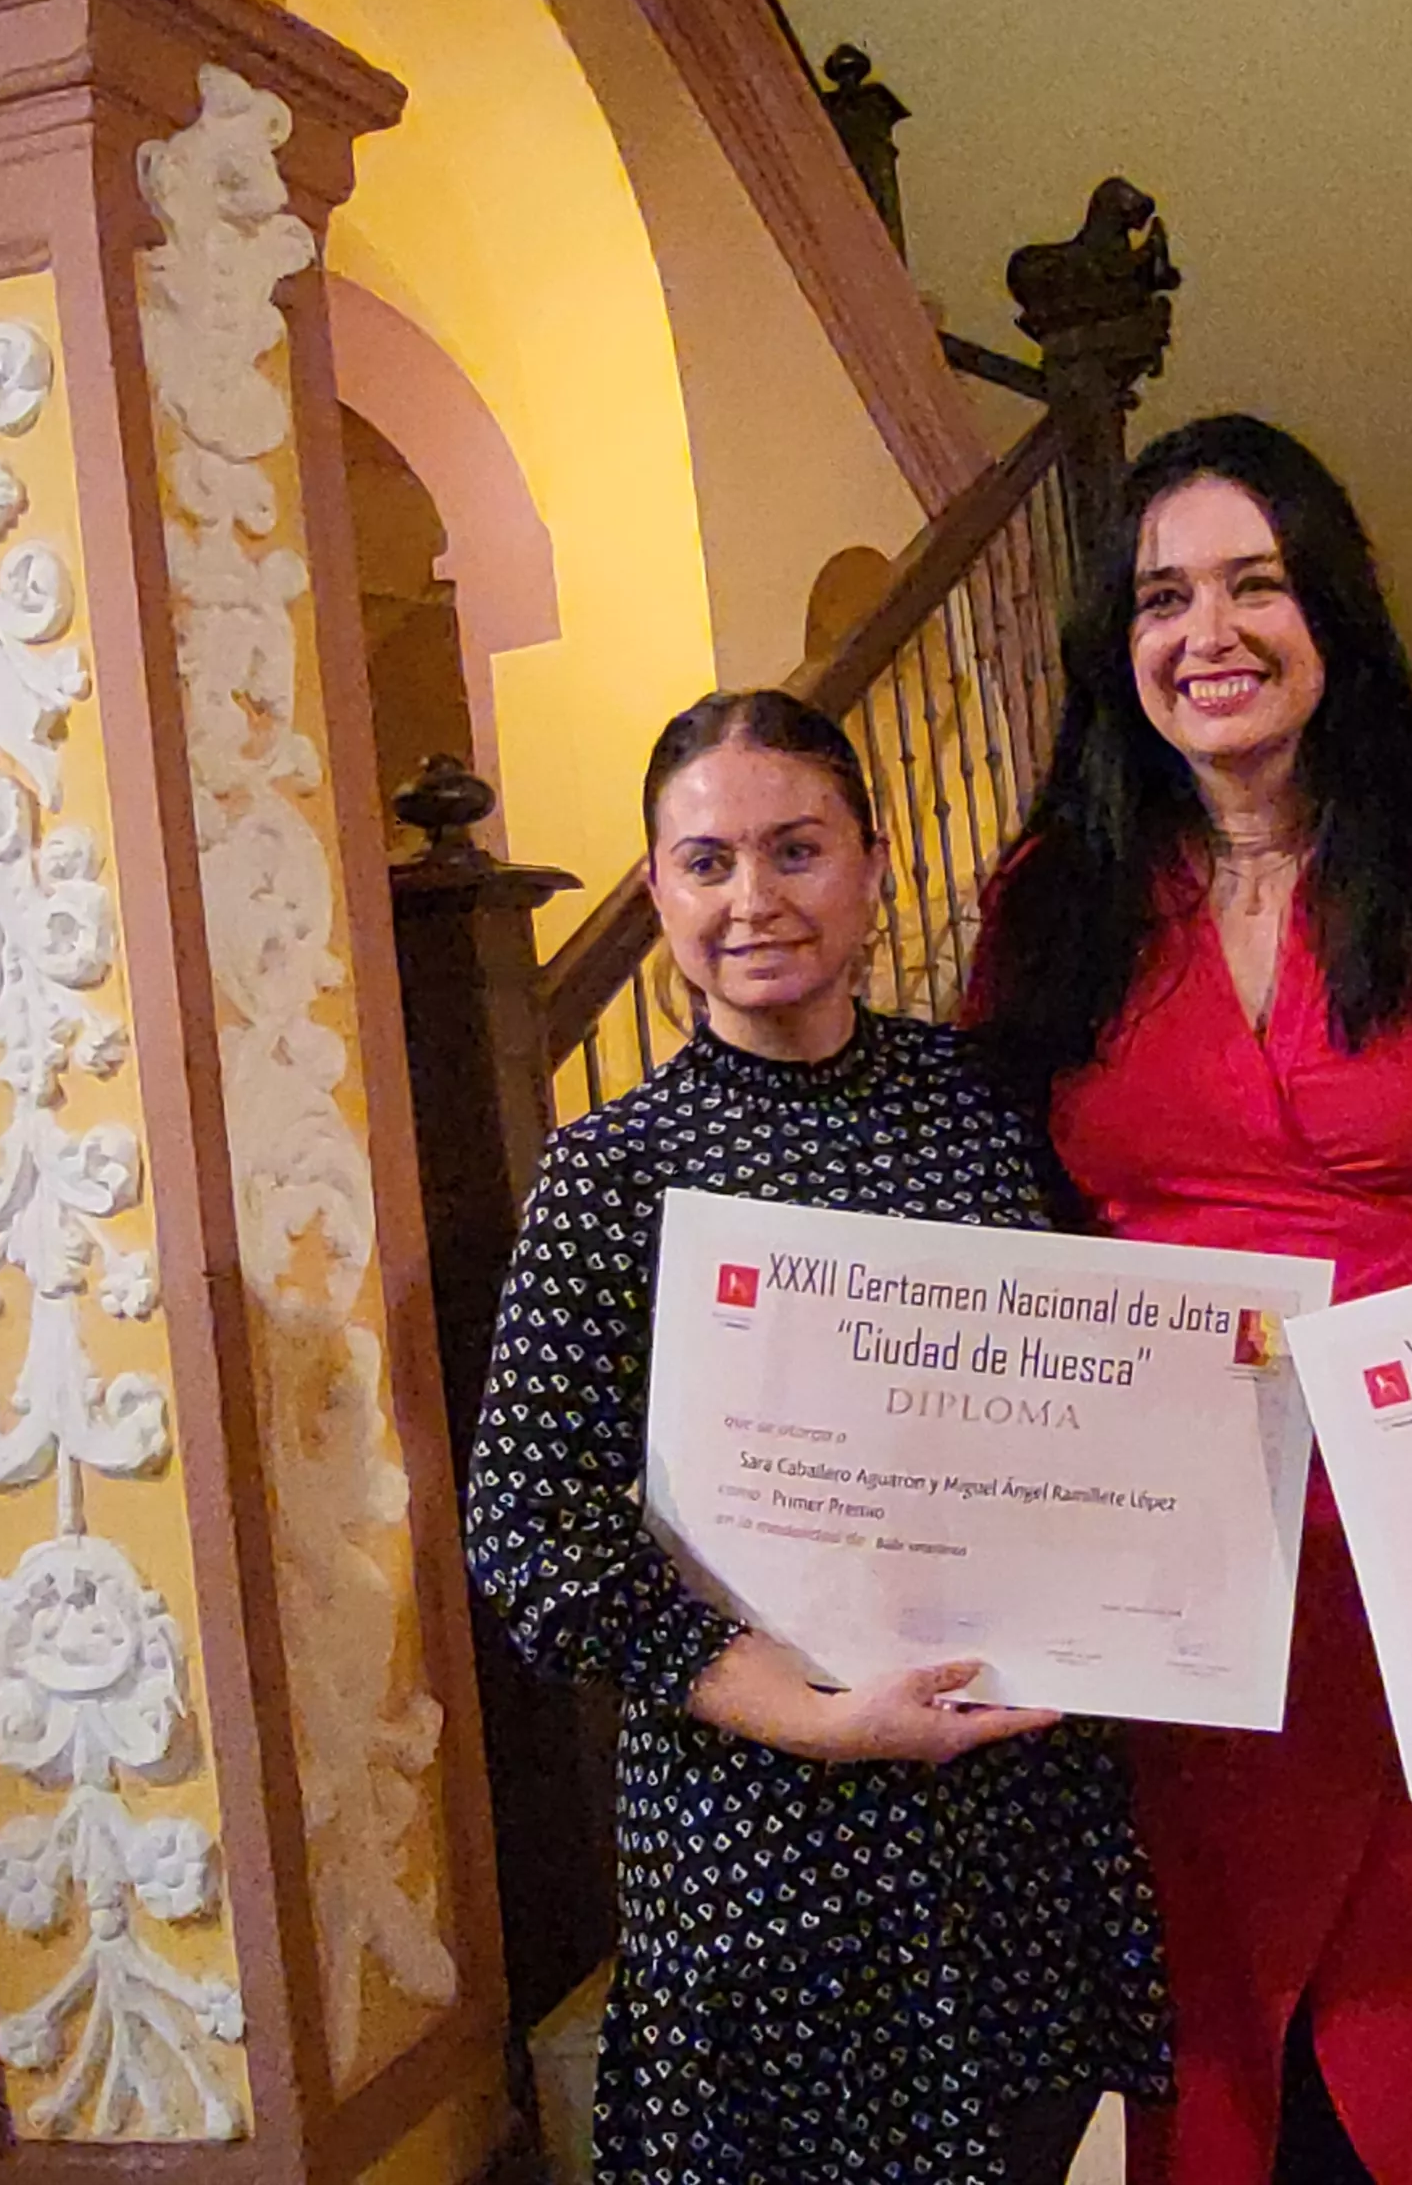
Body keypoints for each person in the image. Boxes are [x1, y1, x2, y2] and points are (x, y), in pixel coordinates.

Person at [971, 416, 1412, 2185]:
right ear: (1118, 646)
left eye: (1254, 582)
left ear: (1329, 605)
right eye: (1163, 595)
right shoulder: (1053, 899)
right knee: (1238, 2092)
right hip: (1186, 1582)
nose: (1210, 631)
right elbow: (983, 1236)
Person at [466, 690, 1166, 2185]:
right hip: (764, 1821)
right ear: (655, 890)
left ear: (872, 865)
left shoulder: (986, 1109)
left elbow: (1093, 1388)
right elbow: (531, 1537)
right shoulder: (612, 1173)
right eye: (706, 863)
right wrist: (814, 1713)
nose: (754, 900)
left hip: (1005, 1806)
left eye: (796, 850)